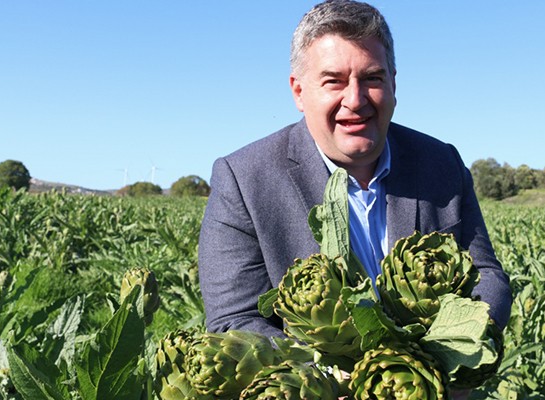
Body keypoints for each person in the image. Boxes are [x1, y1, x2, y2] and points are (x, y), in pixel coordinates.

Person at [199, 0, 512, 342]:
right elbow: (234, 318)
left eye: (372, 78)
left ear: (393, 84)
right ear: (299, 91)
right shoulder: (243, 180)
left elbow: (486, 278)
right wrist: (326, 379)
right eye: (334, 81)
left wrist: (450, 356)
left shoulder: (442, 163)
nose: (355, 99)